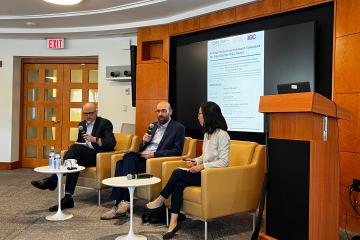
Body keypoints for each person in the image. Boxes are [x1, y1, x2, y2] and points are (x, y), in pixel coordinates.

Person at [145, 101, 230, 239]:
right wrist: (195, 161)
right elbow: (206, 156)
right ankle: (173, 223)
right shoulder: (207, 134)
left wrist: (201, 166)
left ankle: (160, 199)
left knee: (177, 172)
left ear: (208, 116)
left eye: (200, 114)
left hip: (212, 177)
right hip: (204, 173)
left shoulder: (222, 135)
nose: (198, 117)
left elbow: (224, 162)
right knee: (178, 184)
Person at [101, 101, 185, 220]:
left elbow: (177, 151)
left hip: (155, 162)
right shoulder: (153, 126)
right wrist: (145, 142)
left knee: (125, 161)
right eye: (158, 111)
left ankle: (120, 203)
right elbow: (141, 148)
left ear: (170, 112)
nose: (160, 114)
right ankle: (121, 203)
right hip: (143, 158)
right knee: (122, 161)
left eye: (163, 111)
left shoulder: (178, 128)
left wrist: (154, 154)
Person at [31, 102, 116, 211]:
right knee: (74, 161)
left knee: (75, 148)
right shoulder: (82, 124)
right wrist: (80, 144)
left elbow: (111, 142)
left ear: (96, 112)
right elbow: (80, 142)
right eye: (85, 114)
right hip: (84, 156)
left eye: (90, 113)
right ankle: (68, 198)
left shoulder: (104, 123)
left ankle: (53, 180)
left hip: (99, 157)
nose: (88, 116)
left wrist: (94, 139)